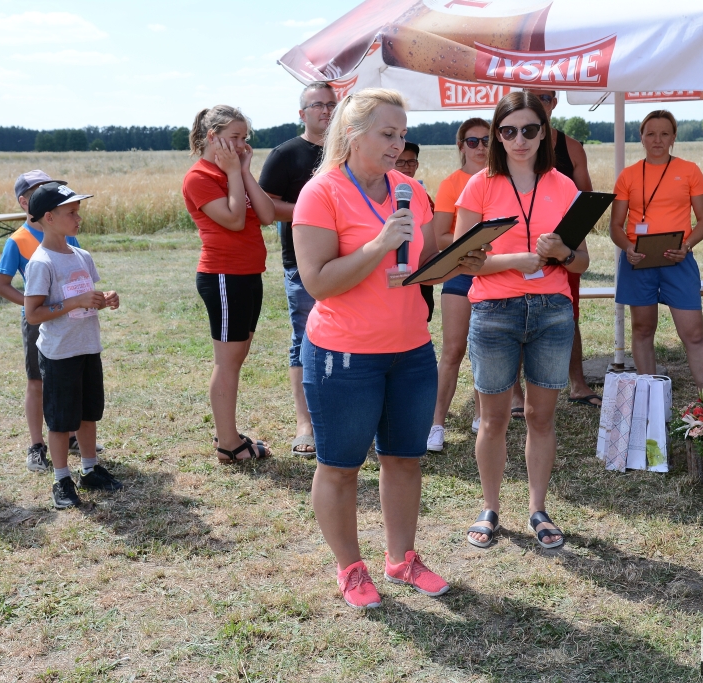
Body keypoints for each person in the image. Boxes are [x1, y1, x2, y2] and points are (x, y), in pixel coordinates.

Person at [293, 88, 486, 609]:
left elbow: (422, 267)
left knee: (404, 459)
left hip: (411, 350)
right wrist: (378, 243)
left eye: (402, 134)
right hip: (344, 354)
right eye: (387, 134)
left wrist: (460, 261)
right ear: (352, 134)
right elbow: (318, 282)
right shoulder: (321, 193)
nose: (398, 145)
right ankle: (350, 568)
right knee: (340, 466)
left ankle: (401, 559)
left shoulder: (410, 189)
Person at [456, 92, 589, 551]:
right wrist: (519, 259)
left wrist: (562, 253)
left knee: (540, 417)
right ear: (497, 135)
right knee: (492, 419)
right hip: (494, 312)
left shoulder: (563, 187)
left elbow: (582, 262)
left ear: (544, 133)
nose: (520, 139)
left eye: (530, 130)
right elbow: (463, 260)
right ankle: (489, 508)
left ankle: (538, 508)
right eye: (509, 130)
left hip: (552, 311)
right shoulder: (479, 186)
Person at [182, 105, 276, 463]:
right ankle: (228, 444)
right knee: (227, 361)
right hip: (223, 276)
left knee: (236, 358)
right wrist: (234, 172)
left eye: (244, 138)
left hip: (248, 274)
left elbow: (266, 215)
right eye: (235, 137)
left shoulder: (235, 172)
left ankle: (229, 434)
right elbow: (235, 220)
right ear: (213, 137)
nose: (241, 144)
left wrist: (244, 171)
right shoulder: (199, 177)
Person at [23, 182, 122, 509]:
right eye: (71, 213)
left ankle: (90, 470)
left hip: (87, 347)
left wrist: (105, 299)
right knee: (61, 420)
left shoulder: (82, 256)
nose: (78, 218)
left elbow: (86, 299)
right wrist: (75, 302)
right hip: (59, 353)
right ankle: (62, 479)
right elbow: (33, 314)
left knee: (88, 413)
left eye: (78, 212)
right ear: (49, 217)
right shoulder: (42, 262)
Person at [0, 170, 99, 472]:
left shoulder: (69, 237)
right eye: (41, 191)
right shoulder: (18, 240)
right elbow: (3, 286)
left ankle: (73, 438)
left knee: (72, 386)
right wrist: (37, 305)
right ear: (26, 203)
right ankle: (36, 445)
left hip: (73, 323)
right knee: (38, 383)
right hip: (40, 323)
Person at [608, 110, 703, 390]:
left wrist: (686, 246)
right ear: (641, 137)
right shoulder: (628, 175)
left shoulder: (690, 170)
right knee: (642, 329)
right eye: (651, 134)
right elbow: (615, 226)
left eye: (664, 133)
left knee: (693, 334)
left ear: (673, 137)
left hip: (678, 258)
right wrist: (628, 247)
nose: (657, 140)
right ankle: (650, 397)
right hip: (638, 260)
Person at [258, 83, 335, 459]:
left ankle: (341, 415)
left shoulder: (348, 150)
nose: (326, 110)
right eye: (318, 105)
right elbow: (265, 207)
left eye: (332, 104)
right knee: (304, 338)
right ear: (302, 114)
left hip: (350, 259)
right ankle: (305, 424)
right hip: (303, 261)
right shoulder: (285, 154)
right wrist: (315, 213)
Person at [528, 89, 598, 406]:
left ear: (554, 102)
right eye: (531, 96)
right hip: (520, 247)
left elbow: (587, 203)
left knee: (569, 314)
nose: (538, 102)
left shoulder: (571, 147)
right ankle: (516, 394)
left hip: (562, 248)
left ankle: (578, 384)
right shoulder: (510, 143)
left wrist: (566, 244)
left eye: (544, 97)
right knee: (513, 313)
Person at [426, 117, 489, 452]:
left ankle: (482, 416)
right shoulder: (452, 183)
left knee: (488, 348)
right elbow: (440, 237)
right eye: (472, 141)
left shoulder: (504, 179)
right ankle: (435, 424)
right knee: (453, 350)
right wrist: (474, 244)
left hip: (496, 272)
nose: (480, 147)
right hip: (461, 272)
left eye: (487, 140)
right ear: (461, 145)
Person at [395, 141, 437, 322]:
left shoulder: (421, 194)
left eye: (411, 162)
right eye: (400, 162)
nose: (406, 167)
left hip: (421, 268)